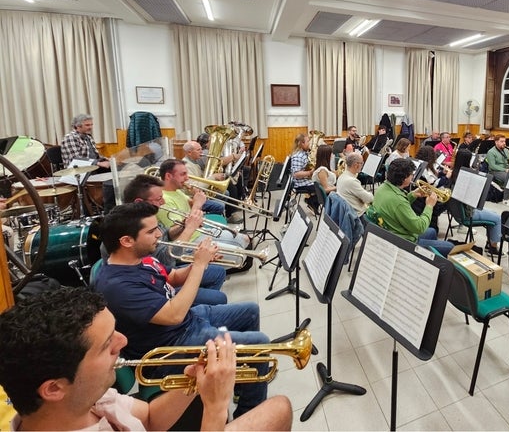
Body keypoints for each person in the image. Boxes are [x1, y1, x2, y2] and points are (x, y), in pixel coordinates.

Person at [0, 287, 292, 431]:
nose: (123, 342)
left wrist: (190, 382)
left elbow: (150, 419)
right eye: (106, 345)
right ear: (53, 388)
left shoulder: (86, 399)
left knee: (279, 407)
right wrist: (215, 409)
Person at [93, 202, 270, 418]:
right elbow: (174, 314)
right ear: (127, 241)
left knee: (251, 311)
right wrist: (198, 266)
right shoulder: (117, 286)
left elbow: (173, 277)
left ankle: (240, 385)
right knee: (259, 343)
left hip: (187, 323)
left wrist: (200, 263)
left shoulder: (141, 258)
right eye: (151, 231)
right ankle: (248, 415)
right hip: (170, 348)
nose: (159, 234)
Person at [122, 174, 228, 306]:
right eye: (159, 198)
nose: (163, 202)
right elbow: (166, 258)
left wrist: (183, 224)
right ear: (139, 202)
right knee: (219, 298)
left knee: (218, 272)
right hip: (158, 283)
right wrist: (190, 228)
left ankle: (200, 309)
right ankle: (194, 310)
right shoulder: (131, 227)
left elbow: (167, 235)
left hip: (165, 271)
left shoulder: (145, 216)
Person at [156, 159, 249, 250]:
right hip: (188, 242)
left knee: (245, 238)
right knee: (240, 249)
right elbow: (174, 235)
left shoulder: (176, 191)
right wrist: (197, 203)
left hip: (198, 232)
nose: (187, 178)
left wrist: (196, 196)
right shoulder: (163, 199)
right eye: (182, 174)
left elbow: (196, 210)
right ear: (168, 176)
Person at [369, 158, 453, 256]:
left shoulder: (383, 187)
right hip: (404, 242)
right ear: (404, 179)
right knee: (450, 246)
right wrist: (429, 206)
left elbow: (396, 207)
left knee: (432, 231)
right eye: (411, 175)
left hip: (392, 231)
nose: (413, 176)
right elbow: (420, 227)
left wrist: (412, 195)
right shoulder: (398, 201)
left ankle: (429, 259)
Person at [450, 150, 502, 254]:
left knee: (494, 213)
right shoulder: (467, 176)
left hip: (456, 213)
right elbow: (476, 201)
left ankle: (490, 243)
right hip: (468, 214)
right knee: (497, 218)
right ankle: (492, 248)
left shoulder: (453, 174)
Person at [183, 140, 226, 216]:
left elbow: (201, 180)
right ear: (189, 152)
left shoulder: (195, 163)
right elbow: (194, 187)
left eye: (201, 149)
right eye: (198, 150)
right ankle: (206, 221)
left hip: (200, 194)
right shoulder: (186, 166)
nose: (201, 151)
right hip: (192, 197)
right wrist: (213, 177)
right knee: (219, 206)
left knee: (225, 193)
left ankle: (223, 218)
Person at [336, 152, 374, 216]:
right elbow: (369, 199)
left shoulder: (342, 176)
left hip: (347, 211)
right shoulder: (352, 181)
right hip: (357, 216)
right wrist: (370, 194)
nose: (362, 165)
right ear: (356, 165)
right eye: (362, 163)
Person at [290, 133, 318, 213]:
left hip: (306, 180)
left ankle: (312, 202)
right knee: (321, 189)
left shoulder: (304, 153)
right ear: (302, 143)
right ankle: (311, 202)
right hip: (300, 184)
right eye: (308, 141)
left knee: (323, 183)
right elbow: (296, 174)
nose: (309, 143)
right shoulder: (298, 156)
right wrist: (310, 172)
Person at [485, 134, 509, 201]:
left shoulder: (506, 150)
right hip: (495, 171)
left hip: (505, 170)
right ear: (496, 142)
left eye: (504, 141)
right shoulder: (491, 152)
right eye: (502, 141)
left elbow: (508, 162)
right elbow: (492, 166)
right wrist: (504, 170)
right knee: (508, 178)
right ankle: (506, 199)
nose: (504, 143)